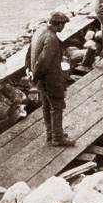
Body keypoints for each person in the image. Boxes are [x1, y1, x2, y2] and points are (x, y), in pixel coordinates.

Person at [26, 12, 75, 147]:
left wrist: (30, 71)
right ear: (58, 24)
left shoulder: (39, 32)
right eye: (63, 24)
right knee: (57, 106)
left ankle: (51, 133)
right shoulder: (51, 38)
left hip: (41, 79)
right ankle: (58, 138)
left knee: (47, 106)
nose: (63, 27)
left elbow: (29, 52)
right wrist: (36, 76)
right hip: (50, 79)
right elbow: (43, 61)